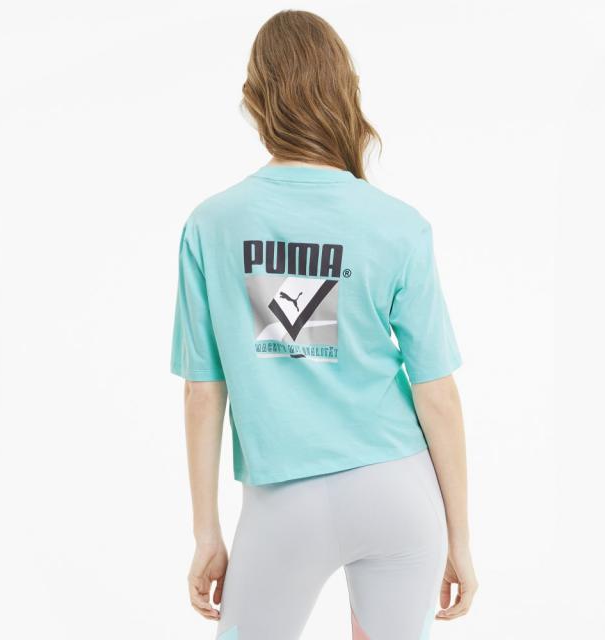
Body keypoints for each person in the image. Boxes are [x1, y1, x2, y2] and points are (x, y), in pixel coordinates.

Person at [170, 10, 477, 640]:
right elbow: (437, 395)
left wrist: (206, 533)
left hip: (283, 503)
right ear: (345, 94)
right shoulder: (398, 224)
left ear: (256, 100)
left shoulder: (211, 224)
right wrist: (460, 538)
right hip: (398, 488)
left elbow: (203, 391)